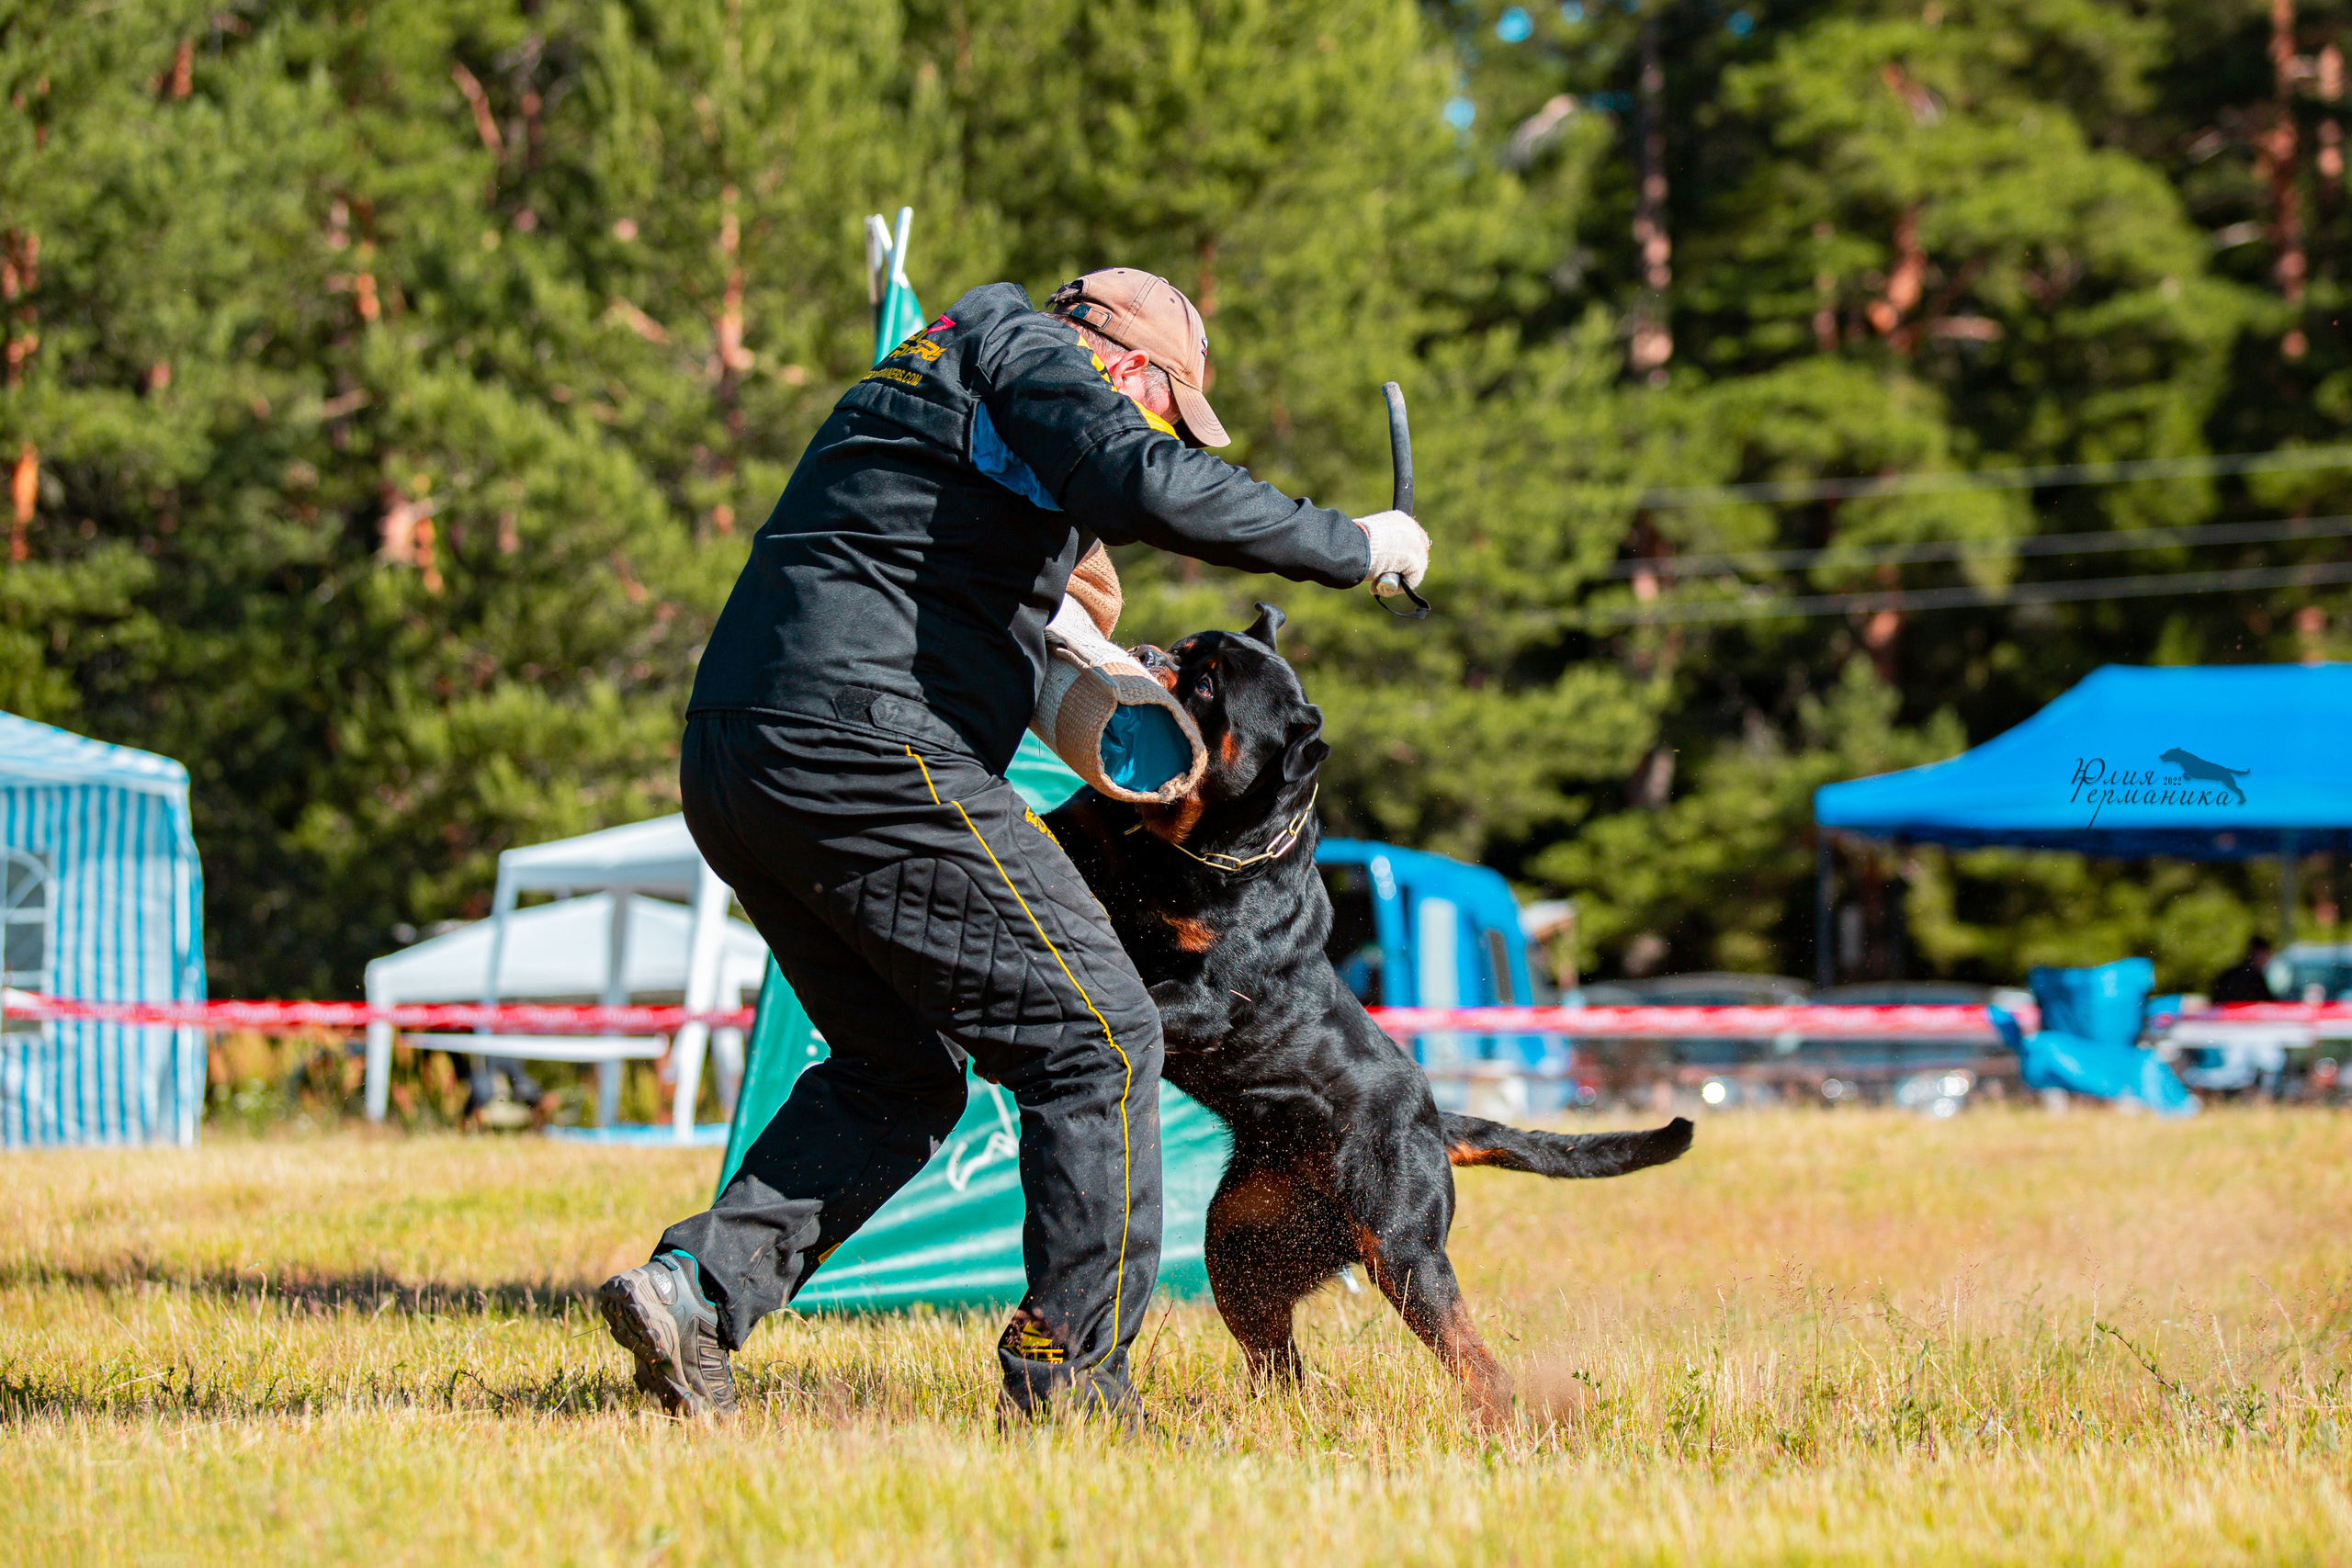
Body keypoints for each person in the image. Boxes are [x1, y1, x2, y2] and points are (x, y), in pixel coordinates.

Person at [596, 268, 1430, 1422]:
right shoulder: (1035, 356)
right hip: (871, 743)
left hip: (742, 751)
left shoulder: (937, 375)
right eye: (1161, 412)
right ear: (1128, 370)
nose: (1151, 433)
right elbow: (1142, 479)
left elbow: (972, 547)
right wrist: (1354, 543)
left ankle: (695, 1293)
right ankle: (1069, 1378)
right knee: (1101, 1044)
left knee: (899, 1071)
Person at [2209, 936, 2278, 1004]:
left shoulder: (2229, 975)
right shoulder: (2255, 978)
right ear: (2258, 953)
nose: (2267, 959)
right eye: (2266, 954)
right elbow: (2269, 1003)